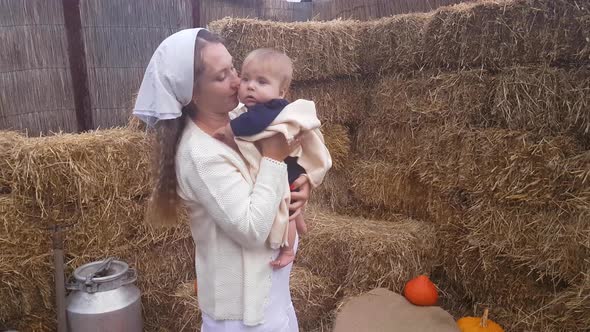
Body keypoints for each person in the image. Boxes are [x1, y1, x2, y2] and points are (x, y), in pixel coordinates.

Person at [133, 28, 310, 331]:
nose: (237, 81)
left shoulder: (242, 119)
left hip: (270, 295)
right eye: (220, 76)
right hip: (243, 316)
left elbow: (278, 169)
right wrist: (274, 159)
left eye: (233, 67)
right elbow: (252, 229)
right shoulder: (201, 154)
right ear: (192, 93)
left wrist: (299, 183)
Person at [213, 48, 331, 269]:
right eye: (246, 78)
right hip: (283, 164)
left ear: (282, 92)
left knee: (285, 208)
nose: (250, 86)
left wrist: (229, 129)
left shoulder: (272, 108)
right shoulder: (253, 107)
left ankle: (287, 249)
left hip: (287, 167)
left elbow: (253, 124)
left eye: (261, 82)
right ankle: (300, 222)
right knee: (291, 206)